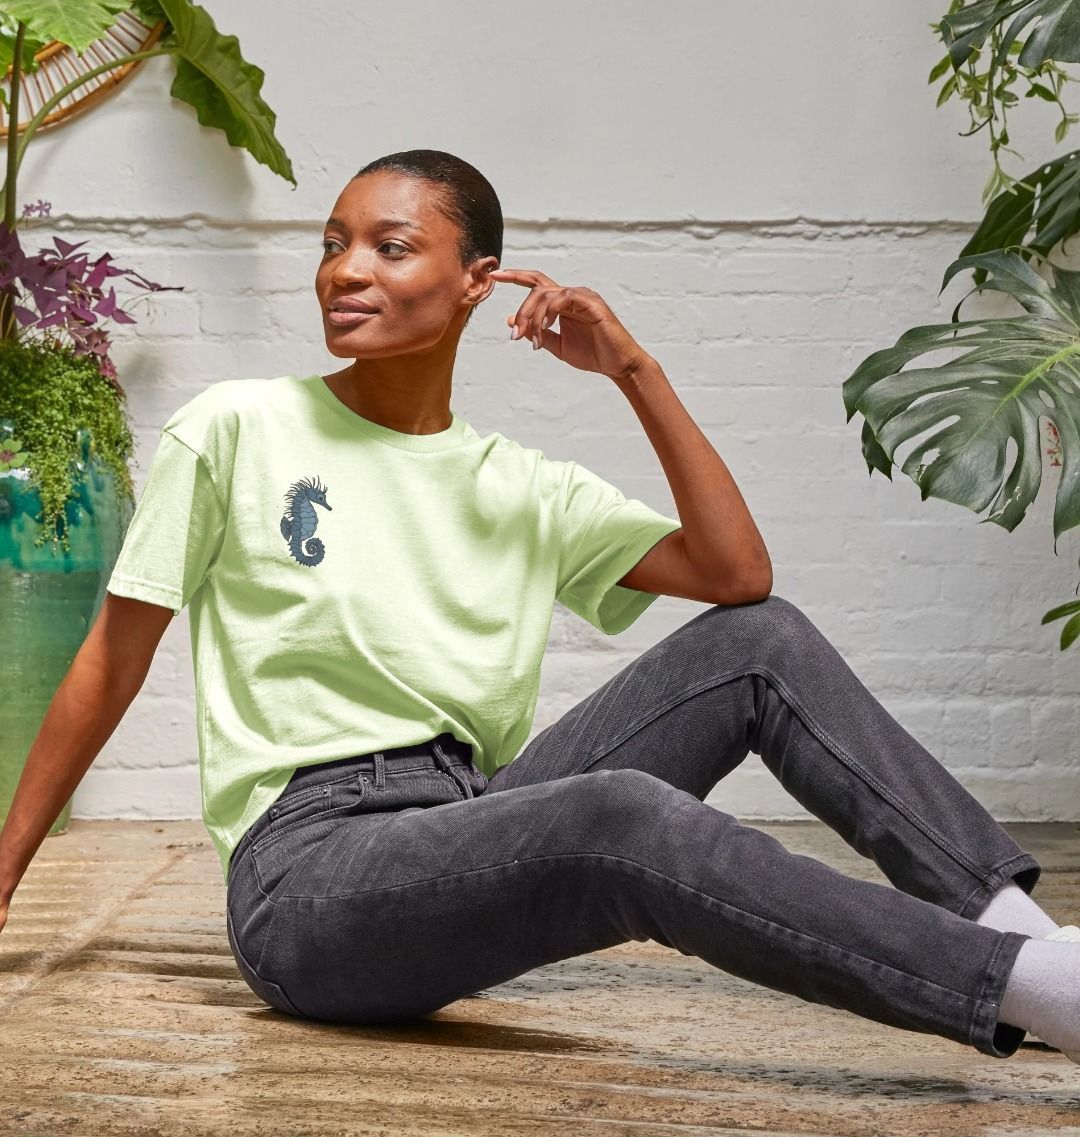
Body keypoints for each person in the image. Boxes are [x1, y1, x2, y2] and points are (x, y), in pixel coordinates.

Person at [1, 149, 1077, 1066]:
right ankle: (1038, 990)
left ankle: (1028, 940)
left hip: (471, 815)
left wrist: (631, 368)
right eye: (333, 243)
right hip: (310, 874)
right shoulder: (236, 428)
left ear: (477, 281)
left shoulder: (520, 484)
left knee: (762, 644)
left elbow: (737, 576)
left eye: (389, 246)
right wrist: (3, 873)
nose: (345, 270)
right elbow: (110, 661)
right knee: (620, 815)